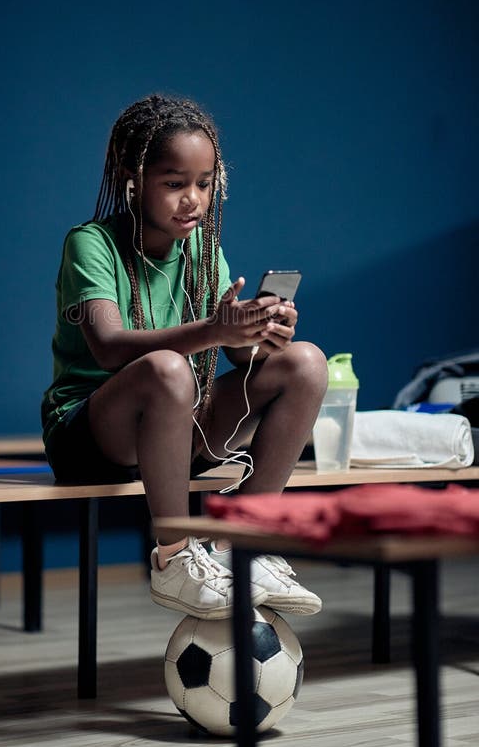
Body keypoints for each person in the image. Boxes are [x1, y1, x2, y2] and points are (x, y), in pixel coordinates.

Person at [42, 94, 328, 621]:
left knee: (306, 362)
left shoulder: (202, 248)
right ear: (134, 179)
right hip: (90, 433)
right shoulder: (91, 244)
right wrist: (213, 330)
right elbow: (108, 347)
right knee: (167, 368)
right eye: (174, 184)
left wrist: (258, 337)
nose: (192, 200)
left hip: (180, 423)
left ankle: (247, 540)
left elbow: (238, 359)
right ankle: (173, 557)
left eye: (204, 183)